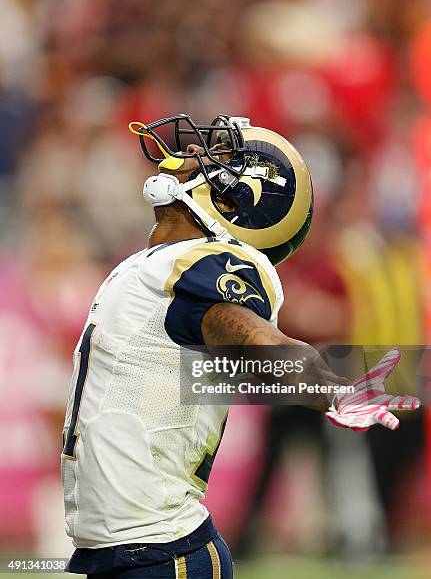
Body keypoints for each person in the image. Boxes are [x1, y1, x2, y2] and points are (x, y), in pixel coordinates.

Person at [61, 114, 419, 578]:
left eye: (213, 157)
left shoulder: (210, 261)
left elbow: (253, 337)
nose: (189, 155)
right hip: (121, 550)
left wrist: (331, 389)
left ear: (241, 200)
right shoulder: (160, 263)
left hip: (159, 554)